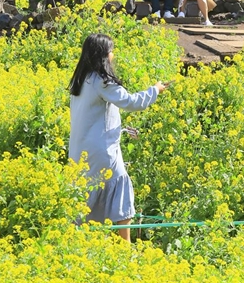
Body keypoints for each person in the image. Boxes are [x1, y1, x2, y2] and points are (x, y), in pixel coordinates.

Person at [68, 33, 169, 242]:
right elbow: (132, 102)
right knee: (121, 189)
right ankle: (125, 248)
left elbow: (95, 118)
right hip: (102, 151)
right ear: (104, 55)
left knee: (83, 196)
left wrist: (120, 129)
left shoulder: (81, 80)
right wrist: (155, 90)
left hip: (80, 151)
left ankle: (75, 243)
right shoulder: (102, 81)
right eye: (111, 51)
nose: (113, 55)